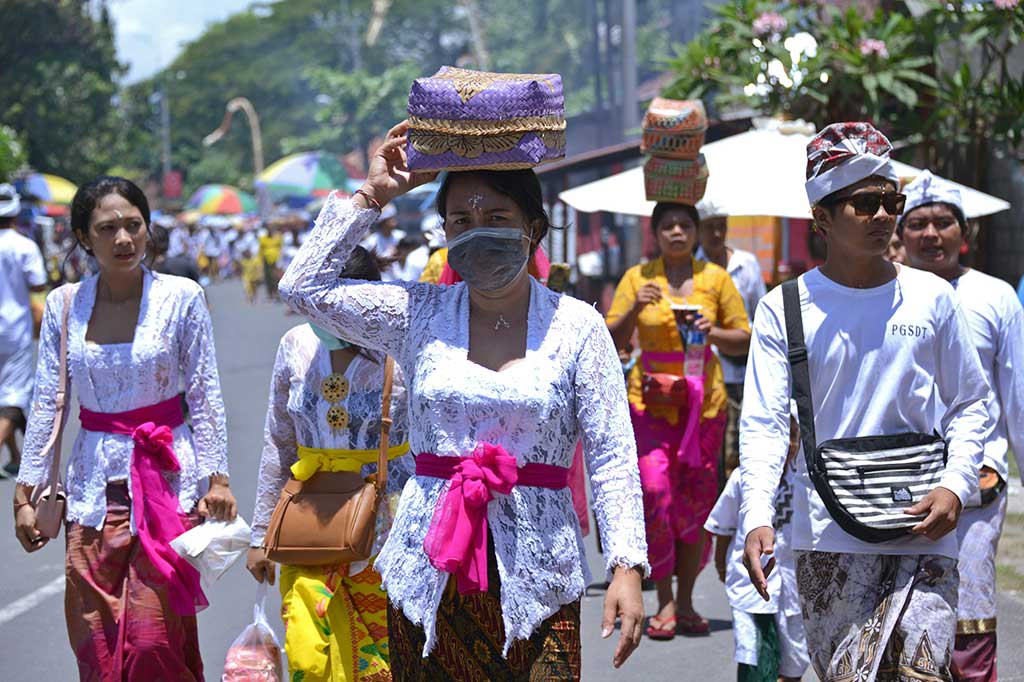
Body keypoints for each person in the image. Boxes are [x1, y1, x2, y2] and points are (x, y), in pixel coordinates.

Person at [278, 121, 648, 680]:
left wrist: (626, 566)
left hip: (542, 577)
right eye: (461, 221)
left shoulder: (579, 328)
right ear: (445, 233)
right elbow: (304, 288)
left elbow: (613, 457)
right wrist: (373, 195)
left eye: (497, 219)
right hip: (425, 571)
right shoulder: (418, 314)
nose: (479, 233)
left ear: (534, 228)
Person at [740, 123, 989, 681]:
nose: (883, 216)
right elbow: (764, 423)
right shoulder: (786, 309)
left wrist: (955, 484)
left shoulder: (933, 297)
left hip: (926, 528)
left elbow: (972, 403)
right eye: (865, 202)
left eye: (890, 201)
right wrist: (756, 513)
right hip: (829, 536)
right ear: (822, 219)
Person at [13, 176, 237, 680]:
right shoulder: (64, 304)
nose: (123, 239)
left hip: (167, 485)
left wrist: (216, 479)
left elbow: (203, 392)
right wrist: (25, 493)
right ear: (83, 236)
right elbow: (49, 399)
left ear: (147, 229)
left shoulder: (182, 297)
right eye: (107, 228)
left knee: (152, 638)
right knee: (94, 641)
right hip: (92, 490)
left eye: (133, 226)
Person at [246, 246, 415, 682]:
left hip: (386, 531)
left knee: (378, 663)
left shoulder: (402, 351)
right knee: (308, 658)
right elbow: (279, 440)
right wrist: (261, 534)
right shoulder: (295, 345)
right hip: (309, 526)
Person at [899, 170, 1024, 682]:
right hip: (897, 486)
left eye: (943, 223)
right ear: (900, 235)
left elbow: (1016, 397)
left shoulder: (996, 297)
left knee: (970, 623)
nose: (931, 234)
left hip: (977, 488)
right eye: (919, 223)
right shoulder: (882, 295)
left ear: (962, 233)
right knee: (899, 624)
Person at [606, 200, 751, 639]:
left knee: (696, 504)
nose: (675, 232)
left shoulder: (716, 279)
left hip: (703, 410)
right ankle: (662, 598)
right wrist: (633, 309)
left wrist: (713, 331)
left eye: (684, 225)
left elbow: (743, 339)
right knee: (654, 494)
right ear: (655, 233)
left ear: (695, 231)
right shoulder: (637, 278)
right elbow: (609, 337)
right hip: (650, 407)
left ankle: (684, 601)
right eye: (667, 225)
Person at [706, 412, 807, 682]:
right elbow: (724, 526)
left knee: (795, 657)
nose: (786, 444)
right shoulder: (742, 479)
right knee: (756, 656)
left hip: (793, 585)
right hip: (750, 582)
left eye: (792, 438)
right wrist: (720, 563)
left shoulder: (804, 480)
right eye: (779, 437)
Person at [695, 197, 767, 483]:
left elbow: (759, 316)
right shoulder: (692, 266)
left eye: (721, 227)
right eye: (710, 227)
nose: (716, 234)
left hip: (741, 372)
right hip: (705, 375)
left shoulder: (745, 264)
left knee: (739, 450)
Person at [0, 183, 47, 478]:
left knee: (6, 395)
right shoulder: (23, 246)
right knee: (14, 396)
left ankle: (17, 455)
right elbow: (38, 285)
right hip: (14, 328)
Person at [259, 224, 284, 300]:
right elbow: (261, 250)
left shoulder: (278, 238)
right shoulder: (263, 238)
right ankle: (270, 293)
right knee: (268, 277)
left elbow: (282, 247)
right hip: (267, 261)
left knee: (276, 277)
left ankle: (276, 293)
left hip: (277, 261)